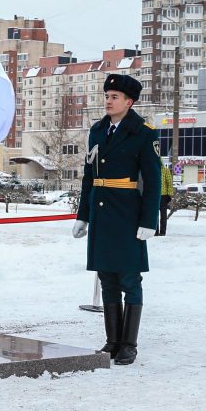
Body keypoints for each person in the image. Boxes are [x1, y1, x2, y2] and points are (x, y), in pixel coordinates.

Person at [73, 73, 161, 366]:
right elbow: (89, 176)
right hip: (101, 213)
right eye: (107, 96)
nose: (108, 101)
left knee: (129, 278)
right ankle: (113, 341)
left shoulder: (144, 132)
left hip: (127, 214)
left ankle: (129, 344)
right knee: (107, 277)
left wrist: (150, 220)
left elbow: (152, 180)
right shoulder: (97, 130)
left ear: (129, 101)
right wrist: (82, 216)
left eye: (115, 97)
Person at [158, 161, 173, 236]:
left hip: (160, 195)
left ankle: (160, 231)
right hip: (160, 196)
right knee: (160, 214)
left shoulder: (164, 170)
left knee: (159, 215)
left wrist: (169, 195)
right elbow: (169, 182)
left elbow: (169, 182)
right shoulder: (165, 170)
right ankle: (159, 231)